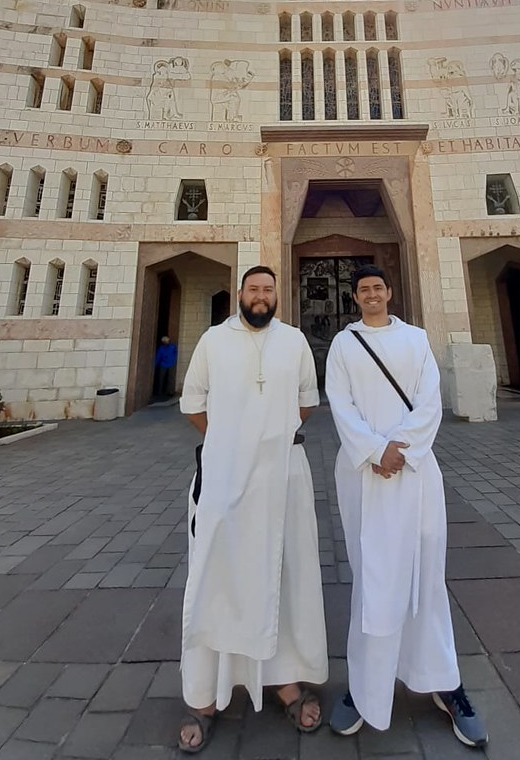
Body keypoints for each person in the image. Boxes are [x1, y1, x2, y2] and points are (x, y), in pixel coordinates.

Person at [325, 265, 488, 748]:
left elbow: (429, 403)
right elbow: (340, 402)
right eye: (363, 290)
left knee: (425, 576)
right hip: (365, 477)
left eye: (378, 288)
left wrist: (401, 449)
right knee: (374, 577)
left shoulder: (417, 340)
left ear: (389, 293)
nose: (372, 295)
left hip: (415, 475)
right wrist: (376, 451)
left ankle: (443, 681)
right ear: (355, 298)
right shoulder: (343, 345)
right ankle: (365, 688)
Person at [178, 266, 328, 753]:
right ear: (239, 294)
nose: (261, 296)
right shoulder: (212, 341)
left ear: (276, 296)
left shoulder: (294, 342)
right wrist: (229, 445)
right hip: (224, 478)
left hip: (283, 475)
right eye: (253, 289)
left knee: (282, 573)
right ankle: (208, 695)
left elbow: (306, 401)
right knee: (218, 574)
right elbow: (192, 402)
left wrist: (270, 440)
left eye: (268, 290)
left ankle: (283, 679)